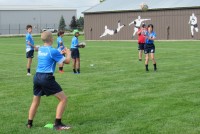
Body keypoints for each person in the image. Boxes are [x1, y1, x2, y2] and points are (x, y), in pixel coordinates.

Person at [26, 31, 71, 130]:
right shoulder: (53, 51)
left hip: (37, 77)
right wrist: (68, 53)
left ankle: (29, 123)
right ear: (51, 39)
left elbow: (50, 54)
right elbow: (67, 61)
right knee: (63, 99)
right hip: (46, 78)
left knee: (35, 101)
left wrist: (60, 53)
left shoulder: (41, 49)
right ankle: (58, 124)